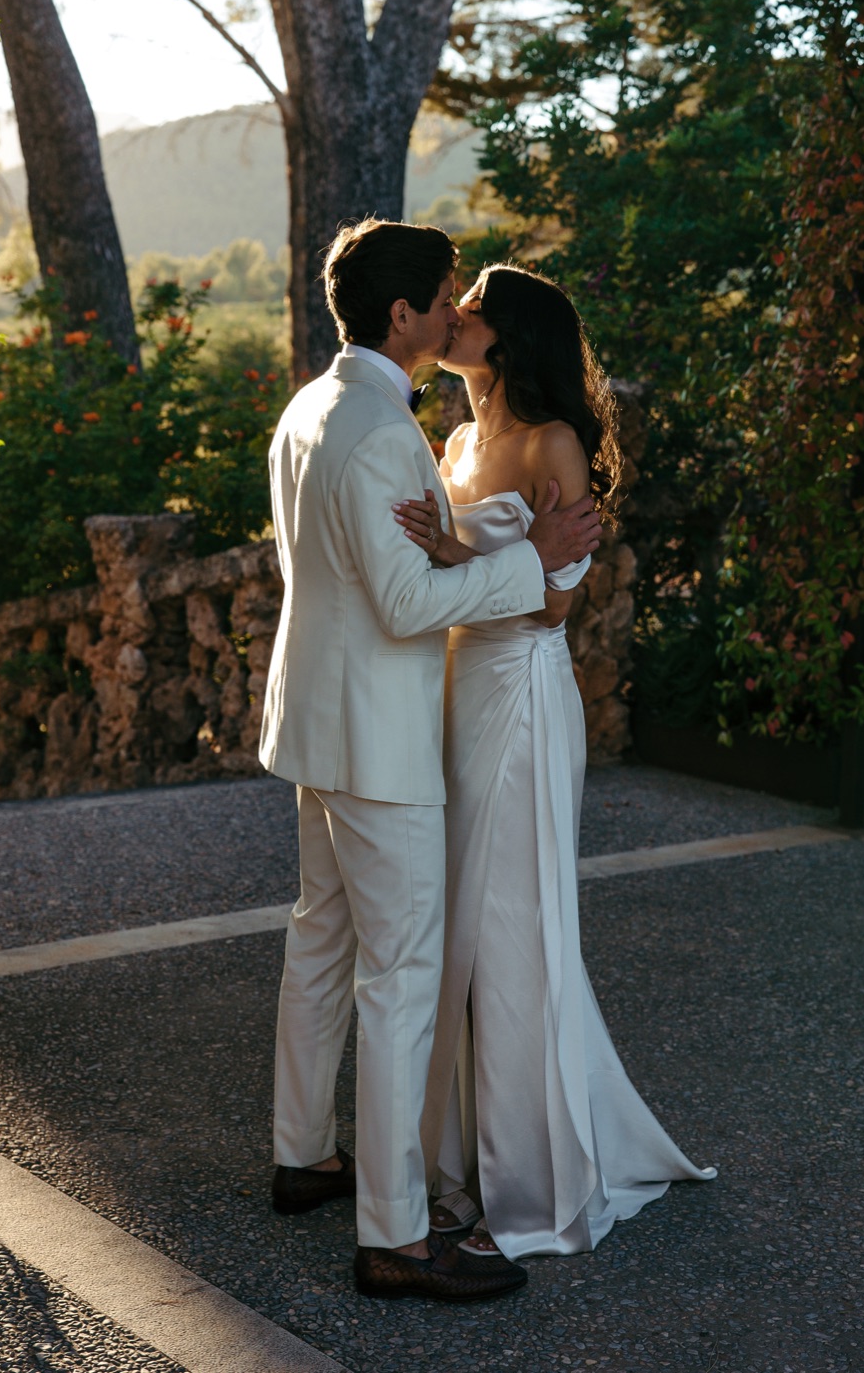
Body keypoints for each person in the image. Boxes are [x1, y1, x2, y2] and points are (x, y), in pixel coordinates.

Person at [258, 218, 602, 1302]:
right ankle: (396, 1236)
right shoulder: (381, 430)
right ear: (401, 315)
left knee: (320, 940)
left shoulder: (311, 407)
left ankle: (303, 1153)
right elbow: (407, 608)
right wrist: (530, 562)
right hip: (380, 735)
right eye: (443, 294)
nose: (454, 310)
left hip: (315, 722)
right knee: (401, 976)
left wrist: (503, 561)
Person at [389, 263, 716, 1259]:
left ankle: (528, 1190)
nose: (456, 318)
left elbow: (550, 604)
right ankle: (457, 1168)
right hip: (448, 688)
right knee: (454, 931)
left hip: (520, 692)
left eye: (475, 310)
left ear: (510, 338)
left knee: (511, 925)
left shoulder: (552, 443)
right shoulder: (452, 440)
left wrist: (453, 559)